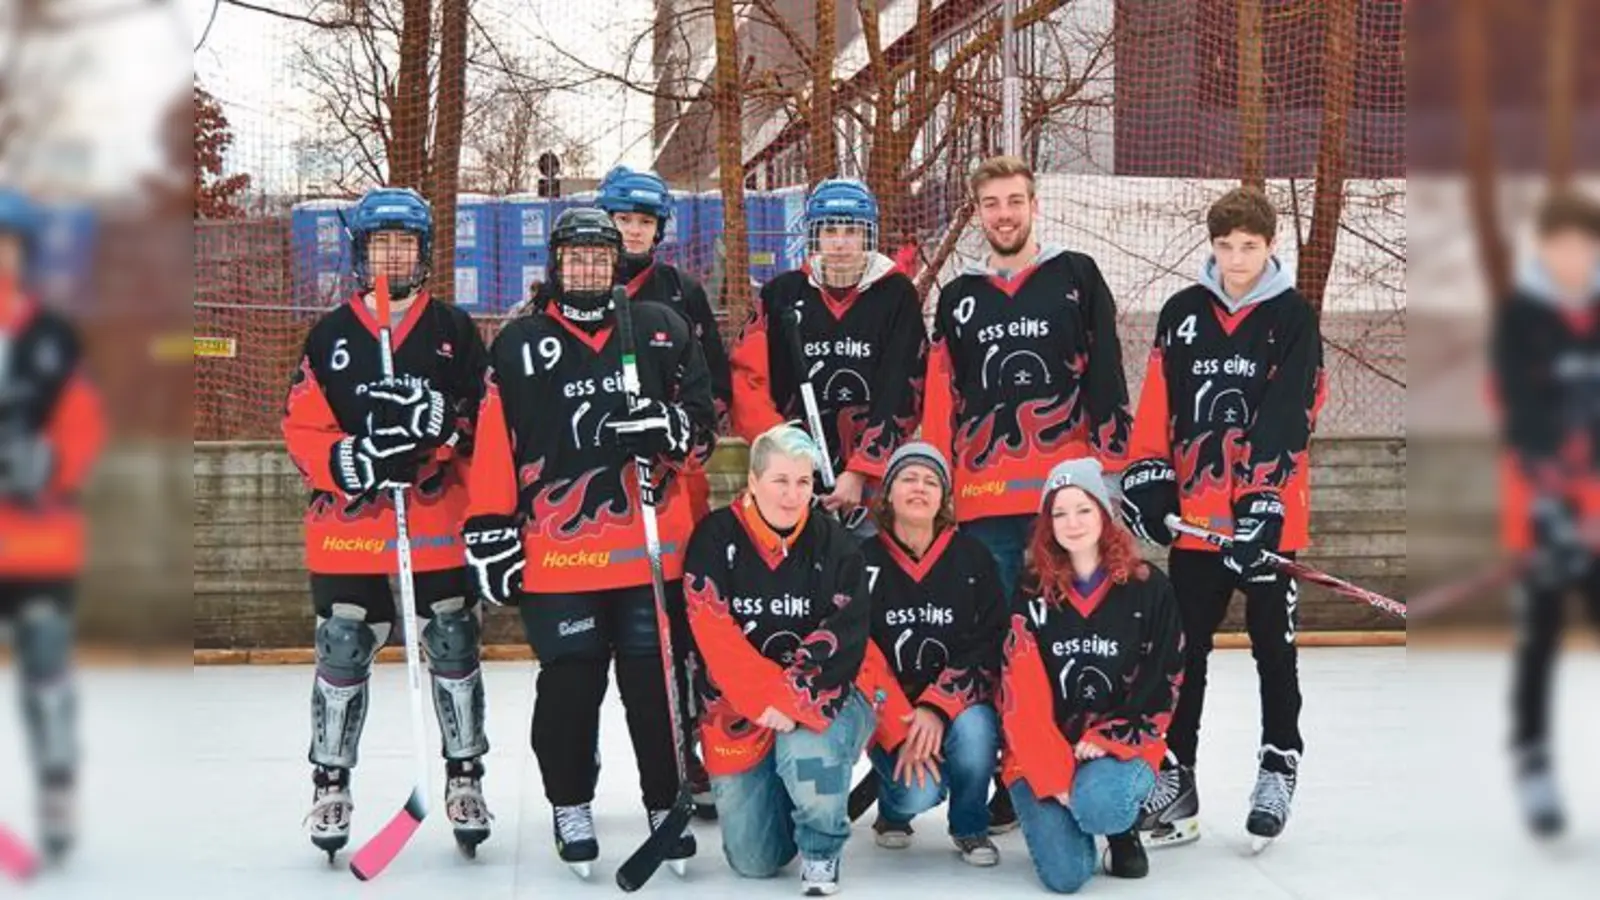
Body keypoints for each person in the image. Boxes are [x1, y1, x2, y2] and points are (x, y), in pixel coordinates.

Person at [461, 206, 716, 877]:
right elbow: (495, 443)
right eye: (574, 257)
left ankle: (664, 804)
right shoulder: (519, 343)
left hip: (648, 553)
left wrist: (671, 427)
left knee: (655, 687)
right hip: (559, 558)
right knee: (570, 688)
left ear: (615, 265)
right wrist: (488, 525)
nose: (586, 268)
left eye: (599, 257)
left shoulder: (661, 328)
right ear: (555, 263)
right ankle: (570, 803)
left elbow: (702, 425)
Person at [921, 154, 1133, 832]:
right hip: (984, 498)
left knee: (1064, 635)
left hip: (1062, 502)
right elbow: (942, 392)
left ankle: (1066, 762)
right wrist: (936, 478)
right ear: (977, 213)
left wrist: (1113, 467)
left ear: (1034, 206)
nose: (1004, 214)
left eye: (1014, 201)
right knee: (995, 639)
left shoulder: (1076, 275)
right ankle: (1008, 776)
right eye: (991, 204)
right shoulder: (959, 295)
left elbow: (1106, 371)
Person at [281, 186, 493, 858]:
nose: (393, 255)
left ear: (424, 252)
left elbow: (488, 419)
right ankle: (330, 785)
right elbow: (301, 425)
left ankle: (464, 776)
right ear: (362, 252)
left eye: (405, 243)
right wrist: (349, 459)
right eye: (381, 243)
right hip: (350, 526)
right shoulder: (331, 334)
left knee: (453, 639)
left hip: (435, 519)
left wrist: (445, 429)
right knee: (343, 644)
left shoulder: (453, 330)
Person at [1120, 186, 1326, 848]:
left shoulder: (1292, 317)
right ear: (1211, 246)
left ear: (1270, 246)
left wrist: (1261, 500)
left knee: (1274, 649)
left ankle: (1278, 762)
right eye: (1226, 246)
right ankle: (1175, 774)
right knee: (1185, 651)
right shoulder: (1182, 313)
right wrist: (1149, 475)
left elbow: (1292, 410)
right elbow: (1158, 402)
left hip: (1268, 522)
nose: (1236, 260)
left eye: (1249, 247)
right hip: (1199, 523)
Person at [682, 424, 875, 896]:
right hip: (739, 707)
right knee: (754, 860)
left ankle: (821, 846)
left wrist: (790, 699)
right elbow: (714, 631)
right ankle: (802, 803)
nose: (792, 495)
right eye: (780, 481)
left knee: (806, 752)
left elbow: (844, 633)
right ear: (753, 481)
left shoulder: (835, 543)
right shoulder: (714, 537)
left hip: (820, 698)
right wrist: (764, 698)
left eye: (803, 482)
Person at [596, 164, 731, 815]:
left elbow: (716, 392)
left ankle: (687, 754)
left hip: (673, 491)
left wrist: (680, 434)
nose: (631, 231)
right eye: (622, 219)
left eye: (642, 221)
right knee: (591, 645)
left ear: (659, 229)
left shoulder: (682, 292)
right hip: (594, 499)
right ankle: (580, 752)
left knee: (679, 634)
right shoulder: (568, 286)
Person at [1000, 459, 1184, 893]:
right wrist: (1052, 774)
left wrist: (1110, 737)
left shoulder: (1147, 587)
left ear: (1103, 513)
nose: (1073, 522)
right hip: (1043, 746)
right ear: (1048, 524)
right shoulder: (1030, 591)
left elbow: (1164, 678)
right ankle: (1074, 816)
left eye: (1083, 509)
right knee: (1065, 877)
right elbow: (1019, 693)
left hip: (1116, 747)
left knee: (1101, 805)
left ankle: (1118, 826)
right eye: (1060, 513)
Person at [0, 187, 106, 864]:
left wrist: (49, 465)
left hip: (37, 539)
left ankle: (57, 788)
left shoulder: (52, 335)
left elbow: (82, 423)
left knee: (45, 672)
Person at [1490, 188, 1600, 838]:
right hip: (1541, 512)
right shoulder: (1522, 319)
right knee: (1542, 638)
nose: (1571, 256)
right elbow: (1516, 409)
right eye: (1560, 245)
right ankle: (1533, 760)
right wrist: (1551, 505)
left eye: (1582, 245)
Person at [729, 178, 927, 534]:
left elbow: (904, 384)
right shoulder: (782, 294)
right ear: (814, 235)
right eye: (830, 230)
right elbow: (747, 378)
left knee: (869, 565)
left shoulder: (896, 294)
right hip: (793, 478)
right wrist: (781, 446)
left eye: (852, 231)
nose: (840, 242)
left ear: (868, 235)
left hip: (870, 485)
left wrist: (861, 470)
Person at [854, 442, 1007, 865]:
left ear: (943, 498)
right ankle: (892, 812)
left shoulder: (973, 557)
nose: (919, 488)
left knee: (977, 732)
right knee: (918, 792)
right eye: (908, 479)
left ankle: (970, 826)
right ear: (888, 493)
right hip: (893, 711)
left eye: (930, 481)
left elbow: (991, 640)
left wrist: (938, 706)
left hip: (956, 704)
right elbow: (857, 651)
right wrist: (901, 723)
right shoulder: (861, 561)